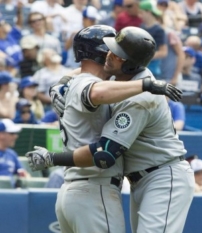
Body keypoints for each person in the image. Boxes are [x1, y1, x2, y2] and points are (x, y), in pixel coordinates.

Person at [27, 27, 193, 233]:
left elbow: (104, 153)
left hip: (163, 174)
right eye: (110, 49)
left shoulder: (139, 97)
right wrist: (60, 82)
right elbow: (88, 71)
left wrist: (53, 158)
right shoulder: (118, 76)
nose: (109, 54)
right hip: (134, 179)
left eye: (117, 54)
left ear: (130, 65)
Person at [0, 118, 30, 187]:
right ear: (1, 135)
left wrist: (25, 177)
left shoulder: (12, 154)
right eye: (12, 133)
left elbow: (23, 174)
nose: (16, 136)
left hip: (11, 194)